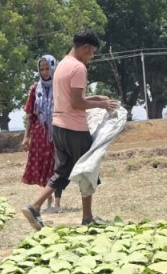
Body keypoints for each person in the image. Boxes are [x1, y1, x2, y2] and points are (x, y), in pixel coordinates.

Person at [21, 30, 119, 230]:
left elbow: (69, 99)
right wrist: (101, 105)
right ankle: (87, 217)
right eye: (91, 52)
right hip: (75, 128)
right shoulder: (78, 68)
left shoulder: (62, 66)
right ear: (85, 48)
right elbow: (76, 103)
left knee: (63, 171)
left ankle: (34, 206)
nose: (91, 57)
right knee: (88, 169)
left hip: (58, 127)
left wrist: (96, 98)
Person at [22, 55, 61, 212]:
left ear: (53, 68)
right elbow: (31, 115)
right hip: (40, 134)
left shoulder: (60, 86)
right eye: (42, 69)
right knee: (42, 166)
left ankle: (57, 201)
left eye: (47, 68)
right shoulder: (35, 89)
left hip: (57, 131)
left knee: (57, 166)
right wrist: (26, 136)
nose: (45, 72)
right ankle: (47, 198)